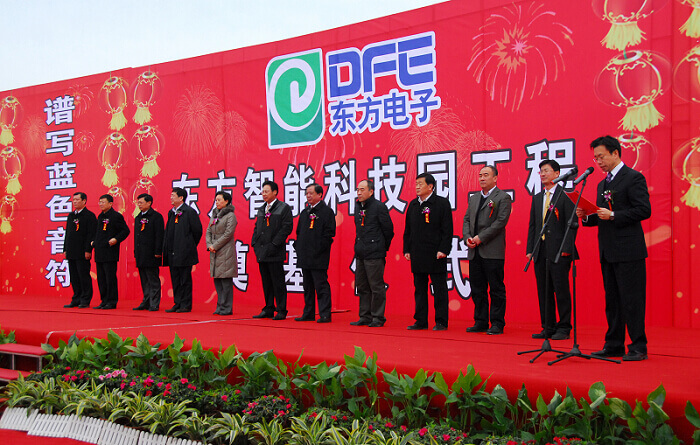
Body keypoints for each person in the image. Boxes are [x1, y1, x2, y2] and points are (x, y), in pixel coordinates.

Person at [576, 135, 651, 361]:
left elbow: (643, 210)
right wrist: (586, 216)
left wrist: (614, 215)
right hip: (608, 250)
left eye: (601, 156)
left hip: (629, 251)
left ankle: (638, 346)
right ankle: (614, 344)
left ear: (615, 153)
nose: (598, 162)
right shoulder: (602, 183)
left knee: (632, 300)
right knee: (613, 301)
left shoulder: (633, 178)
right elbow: (602, 215)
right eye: (596, 158)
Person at [526, 160, 577, 340]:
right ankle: (548, 326)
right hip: (540, 250)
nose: (542, 174)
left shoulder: (565, 196)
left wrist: (566, 248)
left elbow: (572, 225)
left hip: (559, 251)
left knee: (560, 289)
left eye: (546, 170)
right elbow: (533, 225)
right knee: (544, 290)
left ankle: (564, 327)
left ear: (557, 174)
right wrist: (530, 249)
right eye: (541, 171)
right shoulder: (537, 198)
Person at [463, 165, 512, 335]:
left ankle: (497, 323)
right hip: (474, 251)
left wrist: (480, 238)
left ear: (495, 178)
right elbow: (467, 220)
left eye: (486, 175)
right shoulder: (474, 198)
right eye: (480, 175)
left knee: (496, 288)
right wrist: (467, 237)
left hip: (492, 251)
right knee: (477, 288)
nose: (482, 178)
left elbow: (500, 222)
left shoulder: (503, 197)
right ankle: (481, 321)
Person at [403, 173, 453, 331]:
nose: (417, 187)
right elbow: (407, 230)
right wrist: (407, 249)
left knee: (439, 289)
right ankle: (420, 321)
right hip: (417, 253)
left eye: (420, 184)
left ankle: (441, 321)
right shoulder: (413, 205)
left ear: (430, 186)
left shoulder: (441, 203)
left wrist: (444, 249)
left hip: (436, 253)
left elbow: (447, 230)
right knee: (419, 289)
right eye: (416, 183)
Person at [350, 179, 394, 328]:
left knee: (376, 287)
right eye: (358, 190)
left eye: (362, 190)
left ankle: (378, 317)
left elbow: (388, 230)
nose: (359, 192)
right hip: (361, 253)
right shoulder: (358, 206)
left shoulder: (379, 207)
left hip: (375, 253)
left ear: (371, 191)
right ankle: (365, 316)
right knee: (362, 286)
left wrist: (380, 246)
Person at [294, 184, 336, 323]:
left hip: (318, 256)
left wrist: (319, 248)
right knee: (307, 286)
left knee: (321, 285)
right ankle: (308, 313)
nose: (308, 196)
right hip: (304, 255)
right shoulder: (305, 212)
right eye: (307, 193)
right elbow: (299, 232)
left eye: (311, 193)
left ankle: (325, 313)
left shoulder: (326, 212)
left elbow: (329, 234)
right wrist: (298, 247)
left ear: (320, 195)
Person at [251, 180, 293, 320]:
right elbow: (257, 227)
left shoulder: (283, 208)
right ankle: (269, 308)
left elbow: (287, 227)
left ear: (275, 192)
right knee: (266, 282)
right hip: (262, 251)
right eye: (262, 191)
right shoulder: (262, 209)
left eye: (266, 191)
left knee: (278, 282)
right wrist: (254, 243)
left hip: (275, 251)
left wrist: (274, 244)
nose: (264, 194)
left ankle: (281, 309)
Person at [163, 187, 203, 313]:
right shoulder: (171, 213)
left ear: (181, 198)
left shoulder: (189, 212)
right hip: (172, 252)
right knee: (175, 279)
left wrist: (188, 244)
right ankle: (177, 303)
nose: (171, 197)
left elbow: (197, 231)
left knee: (185, 279)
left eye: (173, 195)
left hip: (185, 252)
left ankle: (186, 304)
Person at [92, 194, 130, 309]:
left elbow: (125, 231)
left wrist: (116, 239)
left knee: (110, 278)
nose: (101, 204)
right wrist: (94, 242)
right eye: (100, 202)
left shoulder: (116, 216)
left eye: (103, 202)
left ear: (110, 203)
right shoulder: (100, 216)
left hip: (110, 252)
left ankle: (112, 301)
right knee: (101, 279)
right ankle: (104, 300)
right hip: (99, 251)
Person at [63, 192, 97, 309]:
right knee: (74, 277)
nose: (75, 202)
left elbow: (91, 234)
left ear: (84, 201)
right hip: (71, 251)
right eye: (74, 200)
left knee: (83, 276)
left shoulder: (89, 216)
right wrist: (65, 249)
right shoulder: (71, 215)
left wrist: (88, 250)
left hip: (82, 251)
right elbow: (68, 233)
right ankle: (76, 298)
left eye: (77, 200)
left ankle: (85, 299)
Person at [206, 191, 238, 315]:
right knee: (217, 280)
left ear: (226, 201)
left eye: (219, 200)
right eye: (216, 200)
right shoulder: (215, 215)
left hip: (225, 251)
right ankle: (219, 306)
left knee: (226, 281)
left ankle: (226, 307)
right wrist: (209, 245)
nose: (217, 202)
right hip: (214, 251)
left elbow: (228, 234)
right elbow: (208, 231)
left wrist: (215, 245)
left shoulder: (230, 216)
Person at [133, 193, 164, 311]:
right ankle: (146, 301)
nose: (139, 205)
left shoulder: (156, 217)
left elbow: (159, 235)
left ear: (149, 203)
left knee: (153, 279)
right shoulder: (138, 217)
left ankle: (154, 303)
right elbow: (137, 236)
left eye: (141, 202)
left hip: (152, 253)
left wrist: (158, 251)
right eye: (138, 203)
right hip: (141, 253)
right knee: (144, 279)